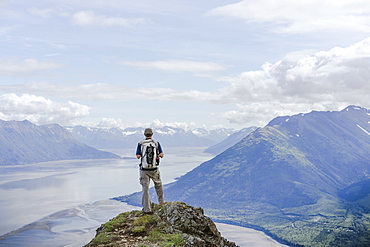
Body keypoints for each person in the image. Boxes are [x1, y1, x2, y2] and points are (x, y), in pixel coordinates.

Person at [136, 128, 165, 214]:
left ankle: (147, 209)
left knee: (145, 189)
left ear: (144, 135)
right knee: (158, 186)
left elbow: (138, 156)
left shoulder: (140, 143)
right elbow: (162, 155)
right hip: (154, 169)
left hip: (144, 170)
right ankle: (162, 204)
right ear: (152, 134)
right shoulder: (156, 143)